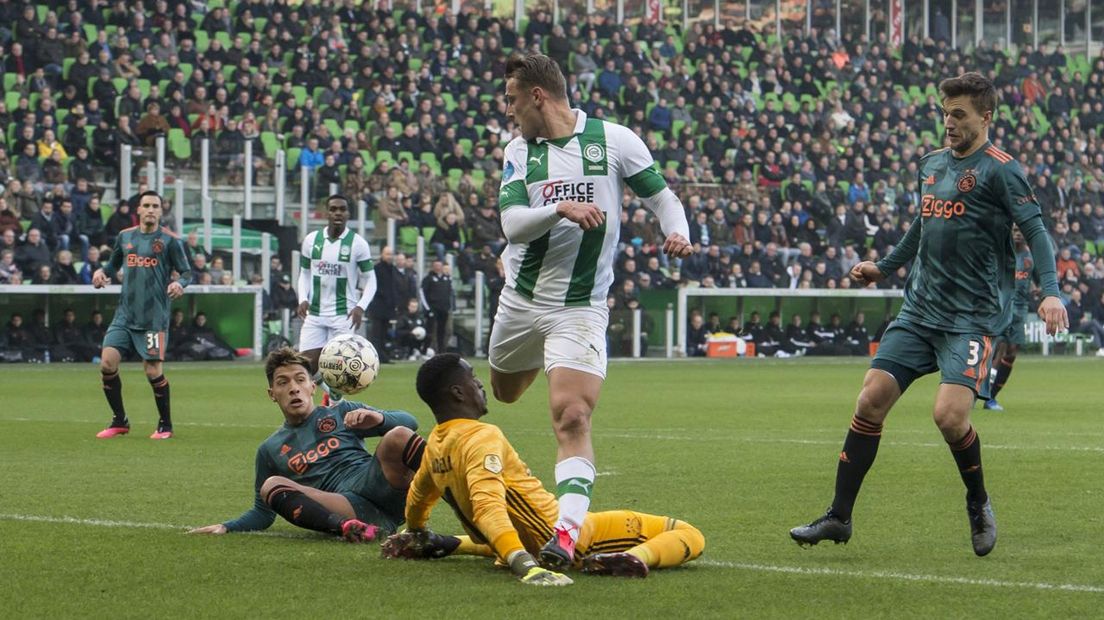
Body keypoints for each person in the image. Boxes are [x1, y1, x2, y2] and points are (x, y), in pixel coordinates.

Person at [789, 73, 1067, 557]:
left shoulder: (1003, 170)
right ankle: (839, 516)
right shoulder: (931, 165)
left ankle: (978, 502)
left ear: (986, 117)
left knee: (949, 416)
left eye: (959, 114)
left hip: (972, 317)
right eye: (945, 113)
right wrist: (885, 266)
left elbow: (1037, 233)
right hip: (920, 310)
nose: (948, 122)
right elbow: (923, 222)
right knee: (870, 400)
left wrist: (1051, 292)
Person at [489, 53, 693, 568]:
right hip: (520, 300)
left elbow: (663, 198)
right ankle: (550, 360)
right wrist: (560, 207)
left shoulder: (615, 140)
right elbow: (512, 224)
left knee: (572, 415)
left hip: (579, 307)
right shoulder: (518, 150)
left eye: (512, 99)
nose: (508, 110)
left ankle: (564, 533)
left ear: (537, 95)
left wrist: (678, 232)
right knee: (505, 393)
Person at [381, 354, 705, 584]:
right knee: (688, 533)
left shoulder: (436, 444)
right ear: (458, 392)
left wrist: (416, 530)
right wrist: (522, 564)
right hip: (564, 539)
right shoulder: (482, 436)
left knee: (499, 535)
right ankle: (635, 558)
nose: (481, 386)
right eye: (475, 380)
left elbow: (419, 497)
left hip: (527, 542)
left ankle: (441, 542)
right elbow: (487, 506)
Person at [189, 348, 425, 540]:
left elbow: (410, 423)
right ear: (272, 393)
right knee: (272, 485)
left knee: (398, 435)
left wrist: (379, 419)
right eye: (283, 382)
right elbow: (263, 513)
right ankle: (351, 529)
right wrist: (227, 526)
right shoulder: (269, 449)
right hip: (345, 505)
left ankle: (461, 502)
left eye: (300, 380)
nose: (293, 388)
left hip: (381, 485)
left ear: (312, 387)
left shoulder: (342, 411)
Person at [92, 191, 193, 439]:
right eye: (146, 205)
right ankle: (119, 421)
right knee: (107, 363)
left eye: (155, 206)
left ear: (161, 211)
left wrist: (180, 284)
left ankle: (165, 425)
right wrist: (100, 273)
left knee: (152, 372)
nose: (150, 209)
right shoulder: (125, 237)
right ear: (138, 210)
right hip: (124, 315)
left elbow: (187, 272)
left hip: (153, 319)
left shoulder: (170, 241)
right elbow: (113, 264)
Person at [295, 195, 376, 404]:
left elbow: (371, 280)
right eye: (333, 209)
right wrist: (302, 298)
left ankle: (333, 419)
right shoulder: (312, 240)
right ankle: (332, 395)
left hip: (344, 315)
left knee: (339, 368)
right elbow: (304, 273)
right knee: (304, 366)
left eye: (342, 209)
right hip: (314, 314)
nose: (338, 213)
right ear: (327, 213)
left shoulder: (358, 244)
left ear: (348, 214)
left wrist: (360, 306)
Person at [984, 226, 1034, 411]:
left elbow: (1037, 279)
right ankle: (984, 395)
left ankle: (991, 395)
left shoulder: (1031, 258)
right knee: (996, 350)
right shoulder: (1002, 253)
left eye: (1021, 230)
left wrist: (1041, 291)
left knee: (1011, 352)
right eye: (1014, 230)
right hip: (1001, 308)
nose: (1018, 233)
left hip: (1020, 312)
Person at [420, 259, 452, 354]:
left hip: (444, 309)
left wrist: (449, 306)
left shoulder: (447, 279)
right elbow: (422, 293)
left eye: (439, 265)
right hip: (433, 309)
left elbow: (449, 294)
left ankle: (441, 351)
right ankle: (425, 350)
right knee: (430, 330)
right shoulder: (428, 279)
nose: (438, 267)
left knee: (442, 331)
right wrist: (428, 309)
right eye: (436, 265)